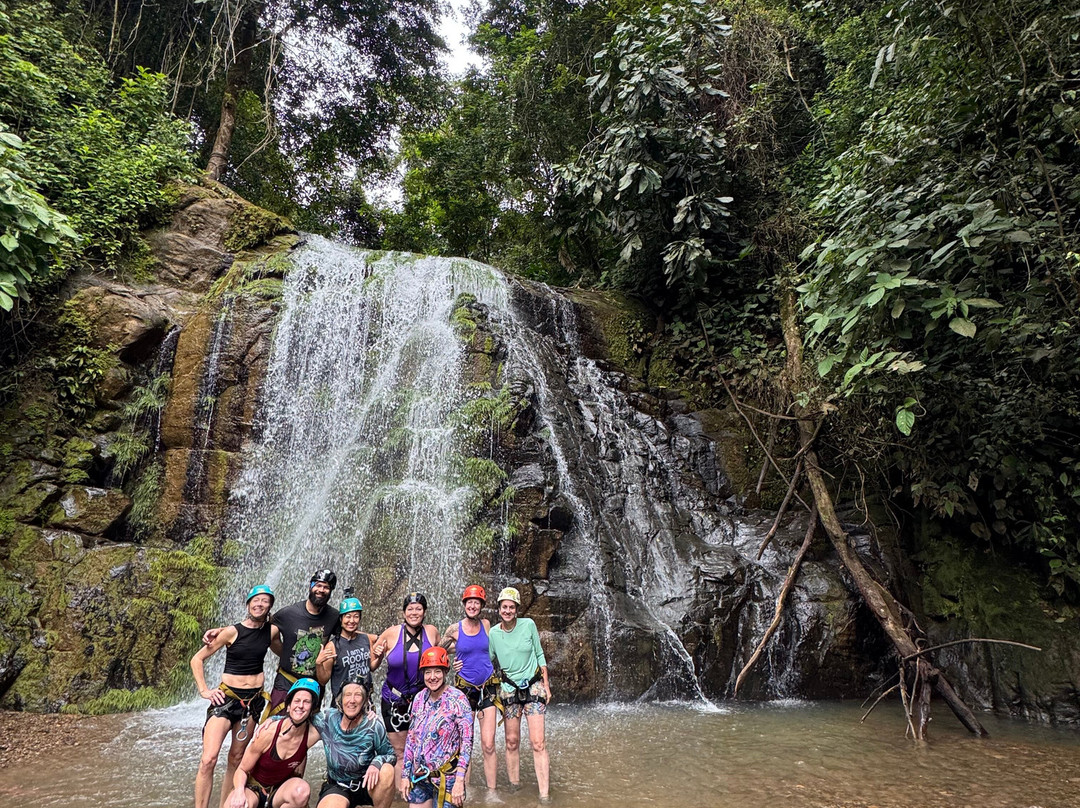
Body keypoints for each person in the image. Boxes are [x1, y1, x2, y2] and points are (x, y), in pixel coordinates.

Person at [191, 584, 281, 808]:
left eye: (265, 601)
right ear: (248, 603)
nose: (260, 604)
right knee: (208, 759)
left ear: (269, 606)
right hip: (226, 700)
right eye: (256, 600)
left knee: (236, 759)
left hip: (252, 704)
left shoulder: (271, 632)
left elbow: (283, 651)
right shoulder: (231, 632)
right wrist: (204, 690)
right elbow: (197, 659)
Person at [204, 569, 340, 717]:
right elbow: (256, 625)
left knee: (306, 732)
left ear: (331, 590)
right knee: (274, 727)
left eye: (326, 587)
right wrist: (224, 631)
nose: (321, 590)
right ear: (310, 586)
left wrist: (369, 639)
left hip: (314, 684)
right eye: (318, 585)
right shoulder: (287, 614)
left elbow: (348, 633)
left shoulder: (333, 616)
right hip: (287, 681)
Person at [488, 587, 551, 803]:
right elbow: (485, 659)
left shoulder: (529, 625)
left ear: (516, 609)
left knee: (538, 742)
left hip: (533, 686)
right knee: (511, 741)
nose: (507, 610)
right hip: (508, 688)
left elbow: (540, 654)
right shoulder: (493, 634)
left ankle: (544, 794)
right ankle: (515, 787)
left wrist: (546, 684)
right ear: (499, 609)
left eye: (511, 607)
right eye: (504, 607)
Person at [373, 592, 441, 782]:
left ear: (425, 612)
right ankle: (401, 797)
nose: (414, 612)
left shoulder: (432, 632)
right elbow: (372, 665)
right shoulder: (391, 633)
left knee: (424, 748)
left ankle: (422, 793)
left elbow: (442, 659)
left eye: (418, 609)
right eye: (410, 609)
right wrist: (377, 655)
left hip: (424, 700)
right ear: (403, 613)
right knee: (400, 752)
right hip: (394, 701)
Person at [226, 678, 321, 808]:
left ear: (312, 708)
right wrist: (239, 793)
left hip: (279, 791)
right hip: (253, 788)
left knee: (301, 791)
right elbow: (242, 769)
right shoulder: (268, 733)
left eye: (307, 702)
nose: (300, 705)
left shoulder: (312, 735)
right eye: (297, 701)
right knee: (237, 805)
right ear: (288, 706)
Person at [440, 584, 499, 798]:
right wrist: (449, 665)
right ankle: (466, 786)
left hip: (488, 686)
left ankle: (492, 791)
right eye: (469, 602)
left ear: (481, 605)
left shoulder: (486, 624)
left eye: (477, 602)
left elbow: (486, 648)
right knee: (467, 740)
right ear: (464, 604)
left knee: (489, 742)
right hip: (464, 688)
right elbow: (438, 652)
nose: (473, 605)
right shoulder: (453, 630)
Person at [399, 647, 473, 808]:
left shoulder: (458, 700)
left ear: (445, 672)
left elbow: (467, 744)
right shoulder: (419, 699)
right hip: (419, 777)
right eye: (428, 672)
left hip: (448, 780)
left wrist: (460, 780)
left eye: (437, 671)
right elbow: (411, 739)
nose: (433, 677)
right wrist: (405, 775)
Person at [311, 677, 397, 808]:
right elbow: (301, 718)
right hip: (338, 786)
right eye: (347, 695)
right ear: (340, 699)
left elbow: (391, 755)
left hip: (367, 783)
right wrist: (275, 720)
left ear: (364, 700)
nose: (352, 700)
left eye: (357, 695)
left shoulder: (373, 725)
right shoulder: (327, 718)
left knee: (387, 770)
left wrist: (376, 763)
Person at [316, 595, 386, 706]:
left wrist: (380, 657)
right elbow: (323, 680)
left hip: (364, 699)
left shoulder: (366, 639)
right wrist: (319, 663)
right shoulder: (333, 646)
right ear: (341, 619)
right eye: (348, 616)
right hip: (342, 702)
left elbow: (371, 667)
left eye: (356, 617)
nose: (351, 621)